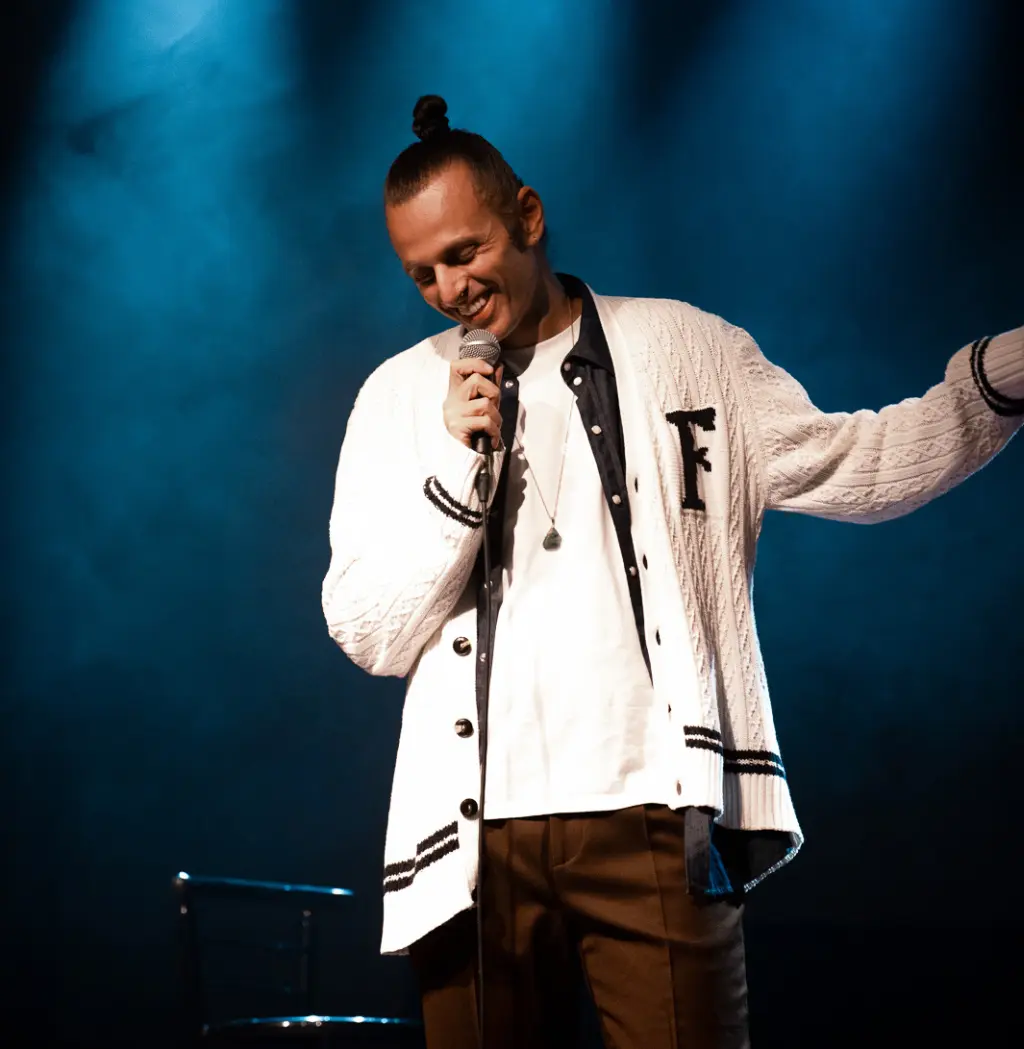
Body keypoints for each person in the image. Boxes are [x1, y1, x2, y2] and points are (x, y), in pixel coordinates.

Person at [321, 95, 1022, 1049]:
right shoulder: (399, 397)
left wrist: (993, 383)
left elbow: (858, 463)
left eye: (465, 251)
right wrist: (456, 469)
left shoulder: (687, 348)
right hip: (476, 842)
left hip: (650, 807)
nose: (450, 287)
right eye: (422, 273)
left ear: (528, 215)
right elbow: (367, 628)